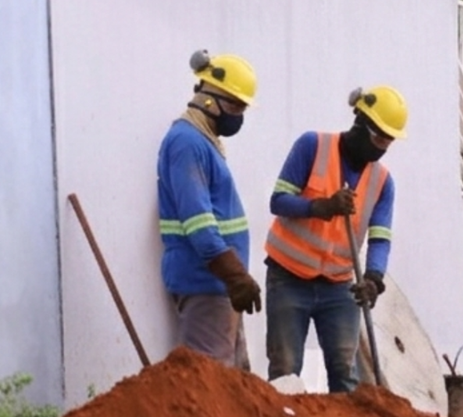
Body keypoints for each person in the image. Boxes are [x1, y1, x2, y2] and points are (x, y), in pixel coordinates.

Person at [264, 86, 404, 393]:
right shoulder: (312, 146)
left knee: (345, 373)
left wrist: (374, 278)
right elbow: (279, 200)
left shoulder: (382, 182)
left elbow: (380, 238)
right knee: (285, 370)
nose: (381, 147)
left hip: (339, 285)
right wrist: (320, 207)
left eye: (388, 141)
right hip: (289, 277)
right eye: (378, 137)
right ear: (359, 123)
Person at [156, 50, 262, 368]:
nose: (237, 115)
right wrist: (235, 276)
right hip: (206, 283)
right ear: (207, 99)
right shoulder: (187, 143)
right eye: (233, 105)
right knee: (211, 383)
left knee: (232, 384)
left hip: (220, 285)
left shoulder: (202, 142)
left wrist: (235, 279)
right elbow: (199, 224)